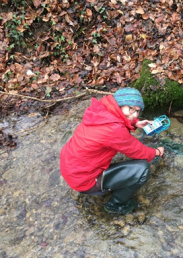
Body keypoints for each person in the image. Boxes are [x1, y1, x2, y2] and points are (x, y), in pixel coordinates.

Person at [60, 87, 165, 215]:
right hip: (84, 180)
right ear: (120, 104)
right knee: (142, 169)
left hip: (71, 169)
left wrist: (135, 123)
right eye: (131, 109)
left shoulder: (100, 111)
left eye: (138, 111)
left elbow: (119, 120)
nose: (135, 114)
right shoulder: (114, 129)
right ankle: (115, 205)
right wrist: (157, 152)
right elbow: (138, 151)